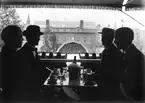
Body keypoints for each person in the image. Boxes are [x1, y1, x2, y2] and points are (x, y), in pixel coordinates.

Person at [17, 25, 49, 101]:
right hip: (28, 90)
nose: (39, 38)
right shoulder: (23, 53)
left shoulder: (32, 50)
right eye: (37, 36)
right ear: (31, 37)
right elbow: (28, 72)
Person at [115, 27, 145, 102]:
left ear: (124, 39)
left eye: (117, 39)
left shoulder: (132, 56)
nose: (115, 42)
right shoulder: (132, 53)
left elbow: (129, 83)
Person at [98, 27, 125, 100]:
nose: (102, 39)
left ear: (111, 38)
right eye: (102, 37)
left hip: (111, 88)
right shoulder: (106, 50)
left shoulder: (115, 53)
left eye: (105, 37)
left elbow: (110, 73)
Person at [0, 25, 23, 101]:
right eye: (20, 36)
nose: (22, 39)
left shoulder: (5, 55)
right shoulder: (12, 58)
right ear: (12, 38)